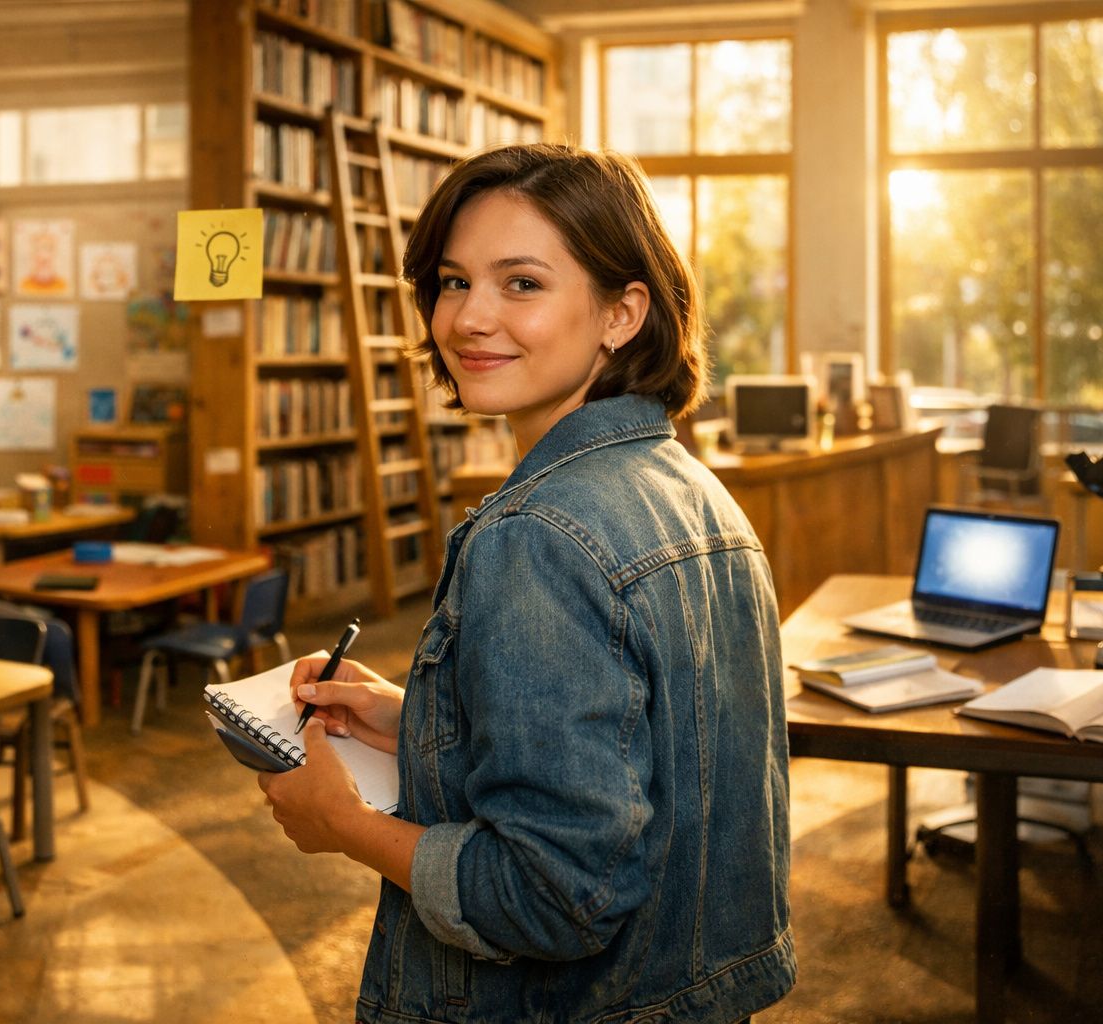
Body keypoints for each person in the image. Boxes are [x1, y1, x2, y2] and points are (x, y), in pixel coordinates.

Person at [258, 144, 795, 1023]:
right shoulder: (691, 489)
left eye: (523, 284)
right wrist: (422, 717)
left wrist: (344, 825)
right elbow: (643, 756)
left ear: (622, 313)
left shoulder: (536, 537)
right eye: (453, 281)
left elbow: (553, 895)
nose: (469, 318)